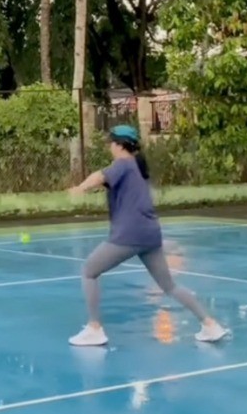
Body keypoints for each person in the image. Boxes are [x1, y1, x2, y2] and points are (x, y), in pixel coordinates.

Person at [66, 125, 229, 346]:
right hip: (150, 235)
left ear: (119, 145)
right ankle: (210, 325)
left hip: (129, 235)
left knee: (89, 271)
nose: (109, 147)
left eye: (111, 143)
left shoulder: (122, 164)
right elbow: (107, 181)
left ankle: (94, 328)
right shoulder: (136, 167)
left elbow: (99, 176)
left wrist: (79, 188)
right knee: (169, 286)